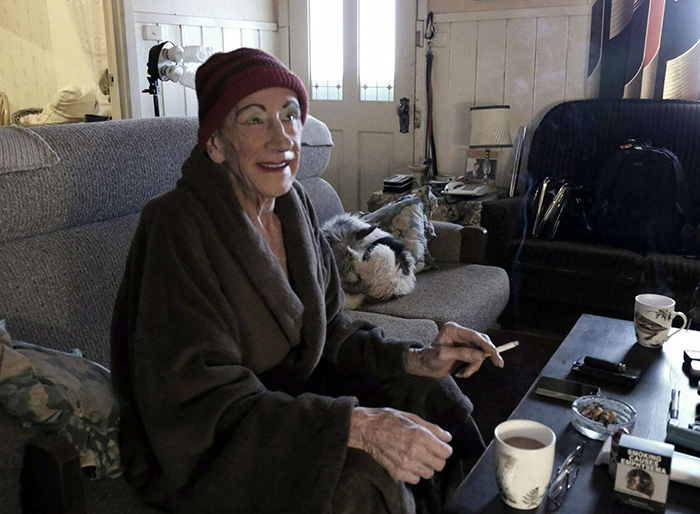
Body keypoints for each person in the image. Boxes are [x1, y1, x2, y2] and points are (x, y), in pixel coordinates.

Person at [111, 48, 504, 514]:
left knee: (428, 392)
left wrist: (419, 358)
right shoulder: (176, 226)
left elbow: (330, 331)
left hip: (287, 405)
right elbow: (196, 402)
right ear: (215, 142)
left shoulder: (292, 208)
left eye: (290, 115)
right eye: (255, 120)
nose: (282, 139)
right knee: (361, 476)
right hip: (212, 441)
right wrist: (356, 426)